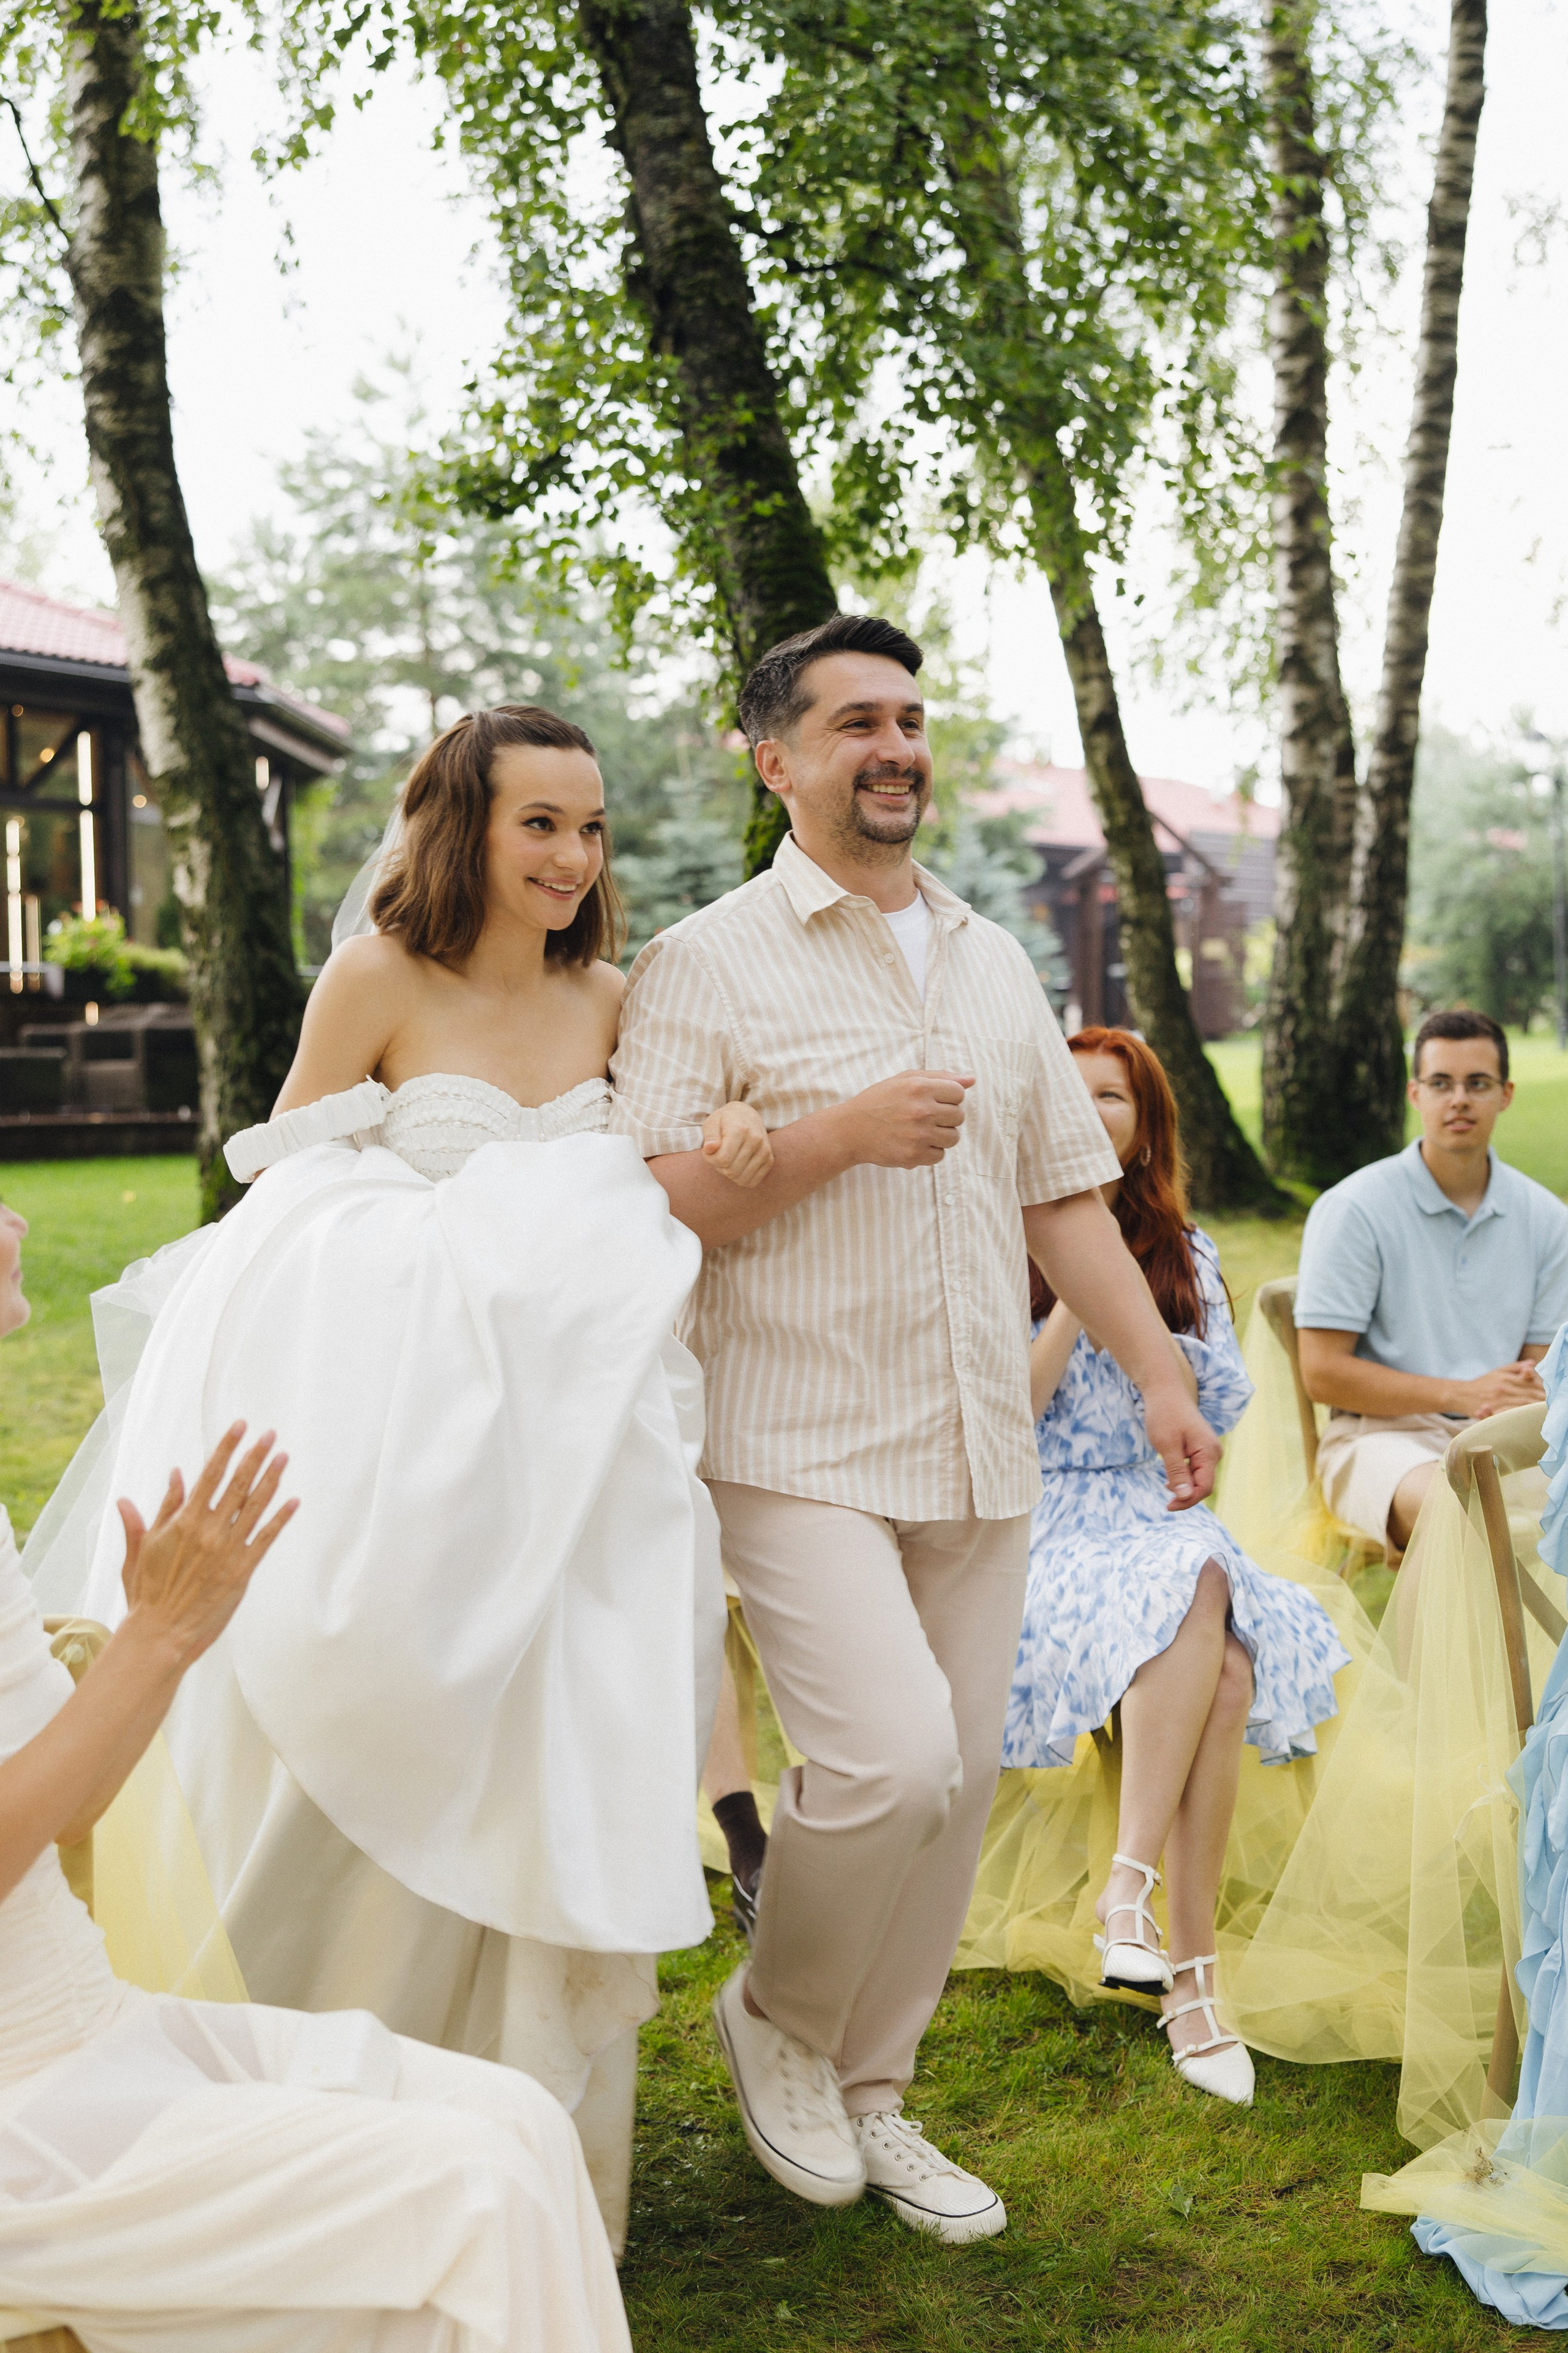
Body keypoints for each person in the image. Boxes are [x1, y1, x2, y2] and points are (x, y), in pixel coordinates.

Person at [24, 703, 772, 2254]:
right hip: (399, 1432)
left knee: (548, 1744)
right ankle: (325, 2123)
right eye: (538, 823)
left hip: (568, 1451)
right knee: (366, 1719)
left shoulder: (614, 999)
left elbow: (654, 1178)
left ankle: (530, 2145)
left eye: (589, 827)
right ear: (463, 828)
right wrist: (483, 1247)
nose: (571, 857)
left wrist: (728, 1131)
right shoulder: (375, 977)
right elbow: (294, 1197)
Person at [609, 612, 1221, 2245]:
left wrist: (1158, 1377)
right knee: (884, 1763)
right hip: (792, 1437)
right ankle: (778, 2019)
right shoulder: (704, 961)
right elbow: (646, 1201)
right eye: (854, 724)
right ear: (776, 761)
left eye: (908, 719)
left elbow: (1062, 1193)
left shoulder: (989, 956)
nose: (894, 749)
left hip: (975, 1445)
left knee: (946, 1799)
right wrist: (836, 1135)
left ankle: (875, 2091)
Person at [0, 1197, 631, 2353]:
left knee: (521, 2122)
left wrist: (162, 1636)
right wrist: (155, 1642)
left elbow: (70, 1809)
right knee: (480, 2194)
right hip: (25, 2114)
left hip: (95, 2027)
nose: (16, 1215)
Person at [1000, 1028, 1351, 2107]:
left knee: (1219, 1633)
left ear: (1146, 1128)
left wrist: (1128, 1272)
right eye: (1073, 1094)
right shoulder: (1000, 1239)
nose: (1090, 1112)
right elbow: (1013, 1417)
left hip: (1155, 1510)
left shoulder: (1186, 1256)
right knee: (1213, 1620)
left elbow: (1209, 1415)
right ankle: (1179, 1967)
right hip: (1050, 1521)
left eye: (1113, 1097)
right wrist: (1080, 1279)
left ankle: (1146, 1921)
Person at [1296, 1009, 1568, 1560]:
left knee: (1514, 1506)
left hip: (1506, 1439)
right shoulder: (1354, 1209)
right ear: (1415, 1093)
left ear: (1506, 1094)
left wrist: (1492, 1410)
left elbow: (1538, 1375)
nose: (1459, 1099)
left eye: (1478, 1083)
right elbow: (1322, 1372)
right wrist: (1460, 1393)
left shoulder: (1548, 1218)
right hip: (1378, 1441)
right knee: (1459, 1508)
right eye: (1441, 1083)